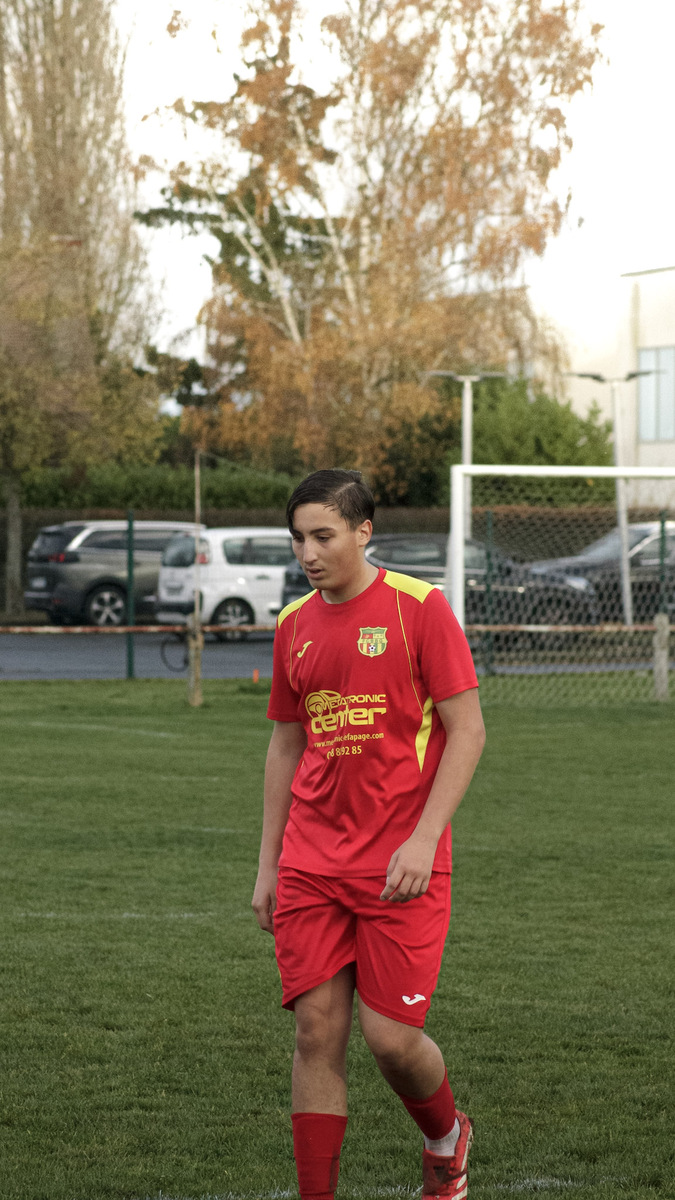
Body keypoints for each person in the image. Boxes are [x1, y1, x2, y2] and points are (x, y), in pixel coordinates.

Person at [252, 469, 485, 1200]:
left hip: (400, 865)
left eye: (323, 536)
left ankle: (446, 1139)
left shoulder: (421, 608)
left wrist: (424, 838)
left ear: (363, 532)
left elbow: (467, 730)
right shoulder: (292, 624)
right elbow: (286, 745)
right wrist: (268, 865)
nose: (308, 553)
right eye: (298, 539)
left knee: (391, 1041)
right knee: (315, 1032)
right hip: (311, 861)